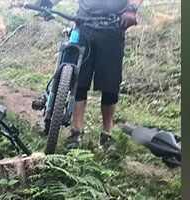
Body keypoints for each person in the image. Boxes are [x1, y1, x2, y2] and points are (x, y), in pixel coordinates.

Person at [36, 0, 140, 149]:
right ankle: (76, 131)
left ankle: (107, 134)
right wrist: (49, 2)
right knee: (79, 82)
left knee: (110, 84)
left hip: (113, 27)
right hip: (83, 26)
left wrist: (132, 9)